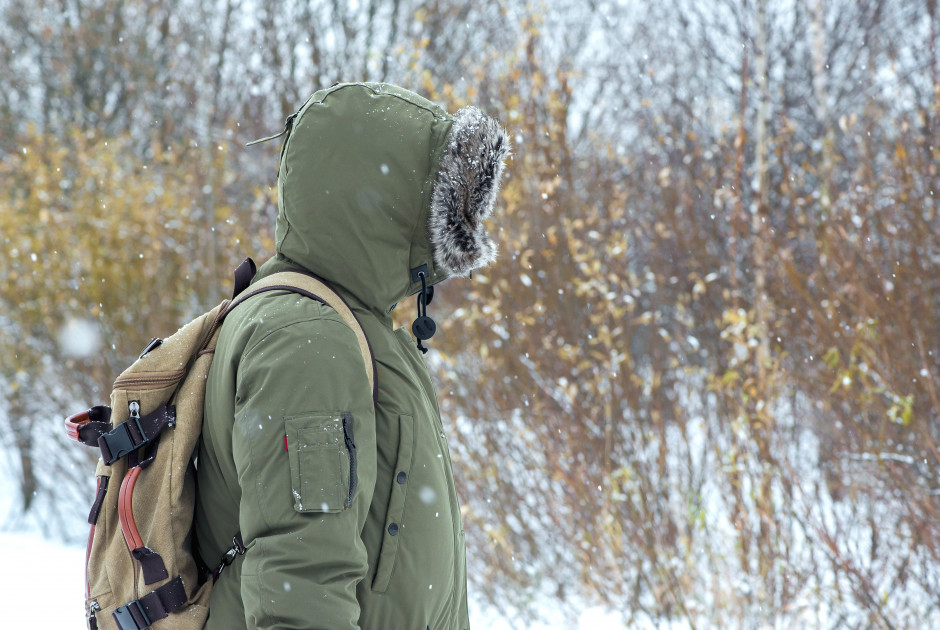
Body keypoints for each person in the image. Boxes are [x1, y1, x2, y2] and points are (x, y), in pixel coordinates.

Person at [193, 82, 510, 630]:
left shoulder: (342, 322)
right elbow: (300, 584)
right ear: (386, 202)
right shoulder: (307, 341)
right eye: (437, 196)